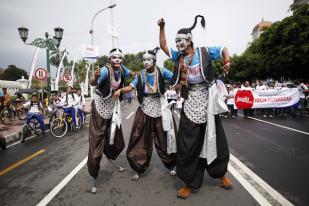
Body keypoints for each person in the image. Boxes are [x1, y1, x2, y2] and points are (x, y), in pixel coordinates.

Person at [158, 15, 232, 199]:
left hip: (208, 101)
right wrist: (162, 26)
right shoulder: (178, 57)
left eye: (180, 40)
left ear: (189, 40)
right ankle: (189, 183)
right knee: (188, 144)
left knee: (216, 139)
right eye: (176, 41)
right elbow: (163, 46)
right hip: (190, 101)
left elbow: (224, 48)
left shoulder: (204, 52)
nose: (177, 44)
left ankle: (221, 175)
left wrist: (227, 61)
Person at [114, 47, 177, 181]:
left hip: (160, 107)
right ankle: (138, 168)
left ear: (154, 61)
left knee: (164, 137)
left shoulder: (161, 71)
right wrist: (121, 90)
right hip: (145, 108)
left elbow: (175, 78)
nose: (146, 62)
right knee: (139, 138)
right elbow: (131, 87)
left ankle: (171, 165)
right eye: (144, 60)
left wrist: (177, 83)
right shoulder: (140, 75)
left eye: (149, 59)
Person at [87, 48, 135, 194]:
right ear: (109, 59)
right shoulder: (105, 71)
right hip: (100, 105)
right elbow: (93, 83)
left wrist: (141, 74)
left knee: (114, 135)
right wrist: (95, 78)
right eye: (114, 58)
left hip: (112, 105)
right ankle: (94, 171)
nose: (117, 60)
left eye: (120, 58)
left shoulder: (121, 69)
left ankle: (111, 156)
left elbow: (131, 73)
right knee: (97, 138)